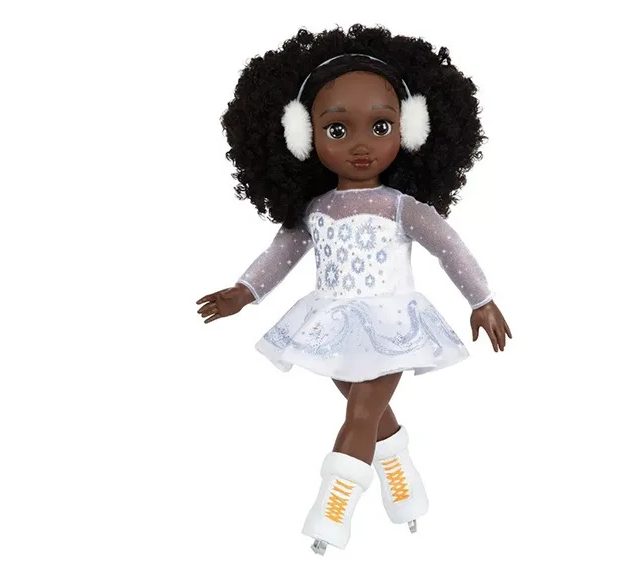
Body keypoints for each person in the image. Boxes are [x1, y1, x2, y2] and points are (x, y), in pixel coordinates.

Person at [196, 24, 512, 555]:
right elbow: (280, 256)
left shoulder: (401, 207)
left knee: (361, 412)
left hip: (393, 323)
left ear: (409, 130)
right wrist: (244, 292)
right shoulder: (314, 210)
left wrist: (481, 299)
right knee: (371, 413)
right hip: (331, 323)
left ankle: (332, 510)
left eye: (381, 126)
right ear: (303, 135)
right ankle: (400, 474)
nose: (361, 145)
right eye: (338, 130)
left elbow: (450, 247)